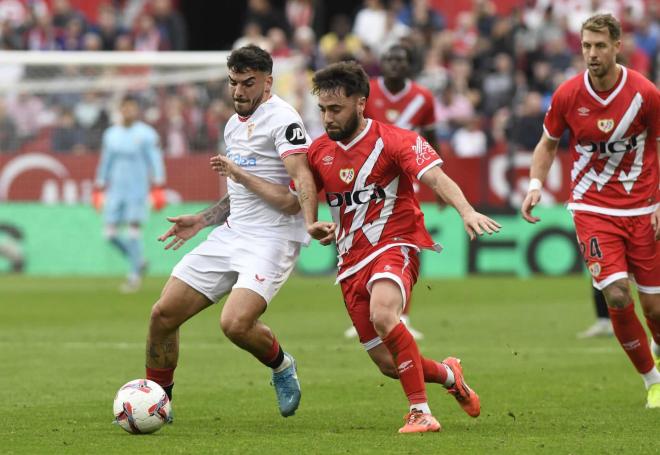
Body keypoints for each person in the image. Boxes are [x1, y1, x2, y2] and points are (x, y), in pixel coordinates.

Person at [215, 61, 501, 433]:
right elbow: (294, 198)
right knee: (387, 361)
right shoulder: (319, 152)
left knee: (386, 316)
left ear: (361, 103)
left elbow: (436, 177)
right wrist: (308, 221)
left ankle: (420, 412)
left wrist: (465, 210)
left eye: (336, 109)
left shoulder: (396, 141)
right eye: (322, 110)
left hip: (394, 244)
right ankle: (449, 375)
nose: (327, 118)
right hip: (350, 261)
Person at [145, 45, 323, 419]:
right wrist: (203, 219)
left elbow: (295, 194)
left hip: (272, 239)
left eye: (247, 83)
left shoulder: (284, 121)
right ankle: (157, 403)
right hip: (232, 233)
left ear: (268, 82)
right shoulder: (233, 124)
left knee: (235, 323)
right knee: (163, 315)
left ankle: (281, 365)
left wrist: (243, 176)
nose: (238, 91)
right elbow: (239, 195)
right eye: (233, 83)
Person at [521, 14, 660, 408]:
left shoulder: (645, 94)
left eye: (600, 46)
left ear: (618, 46)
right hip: (591, 207)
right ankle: (653, 380)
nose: (592, 53)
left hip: (643, 207)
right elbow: (547, 145)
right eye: (586, 46)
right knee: (616, 294)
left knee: (655, 309)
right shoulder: (567, 95)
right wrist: (535, 186)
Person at [356, 43, 439, 340]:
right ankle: (367, 312)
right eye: (388, 58)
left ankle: (401, 314)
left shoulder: (423, 98)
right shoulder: (367, 93)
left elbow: (431, 139)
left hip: (406, 179)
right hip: (367, 179)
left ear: (408, 65)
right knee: (363, 242)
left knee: (407, 242)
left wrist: (439, 183)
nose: (392, 64)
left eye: (399, 60)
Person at [93, 95, 166, 293]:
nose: (129, 112)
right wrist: (99, 185)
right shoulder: (111, 134)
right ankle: (139, 260)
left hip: (137, 191)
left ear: (137, 111)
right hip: (115, 190)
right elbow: (106, 161)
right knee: (109, 234)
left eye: (133, 108)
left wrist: (159, 185)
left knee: (133, 232)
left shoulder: (146, 134)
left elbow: (155, 159)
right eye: (125, 108)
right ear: (120, 109)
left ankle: (133, 276)